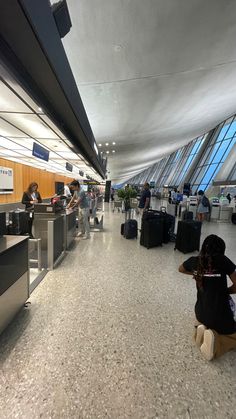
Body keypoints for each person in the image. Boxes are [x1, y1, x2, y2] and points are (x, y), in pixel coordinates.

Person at [179, 234, 236, 361]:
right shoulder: (223, 260)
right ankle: (215, 342)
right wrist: (226, 291)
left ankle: (202, 329)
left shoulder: (195, 261)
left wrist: (197, 273)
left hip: (200, 313)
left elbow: (180, 269)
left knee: (208, 313)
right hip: (219, 317)